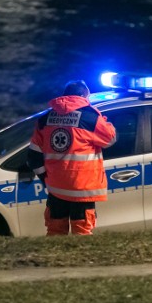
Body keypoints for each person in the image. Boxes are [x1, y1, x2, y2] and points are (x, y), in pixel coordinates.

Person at [27, 80, 117, 235]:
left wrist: (45, 179)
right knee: (82, 232)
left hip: (56, 188)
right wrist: (104, 121)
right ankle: (78, 259)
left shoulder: (45, 118)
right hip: (82, 188)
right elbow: (110, 139)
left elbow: (33, 155)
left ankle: (55, 259)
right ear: (83, 96)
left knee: (55, 231)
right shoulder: (90, 117)